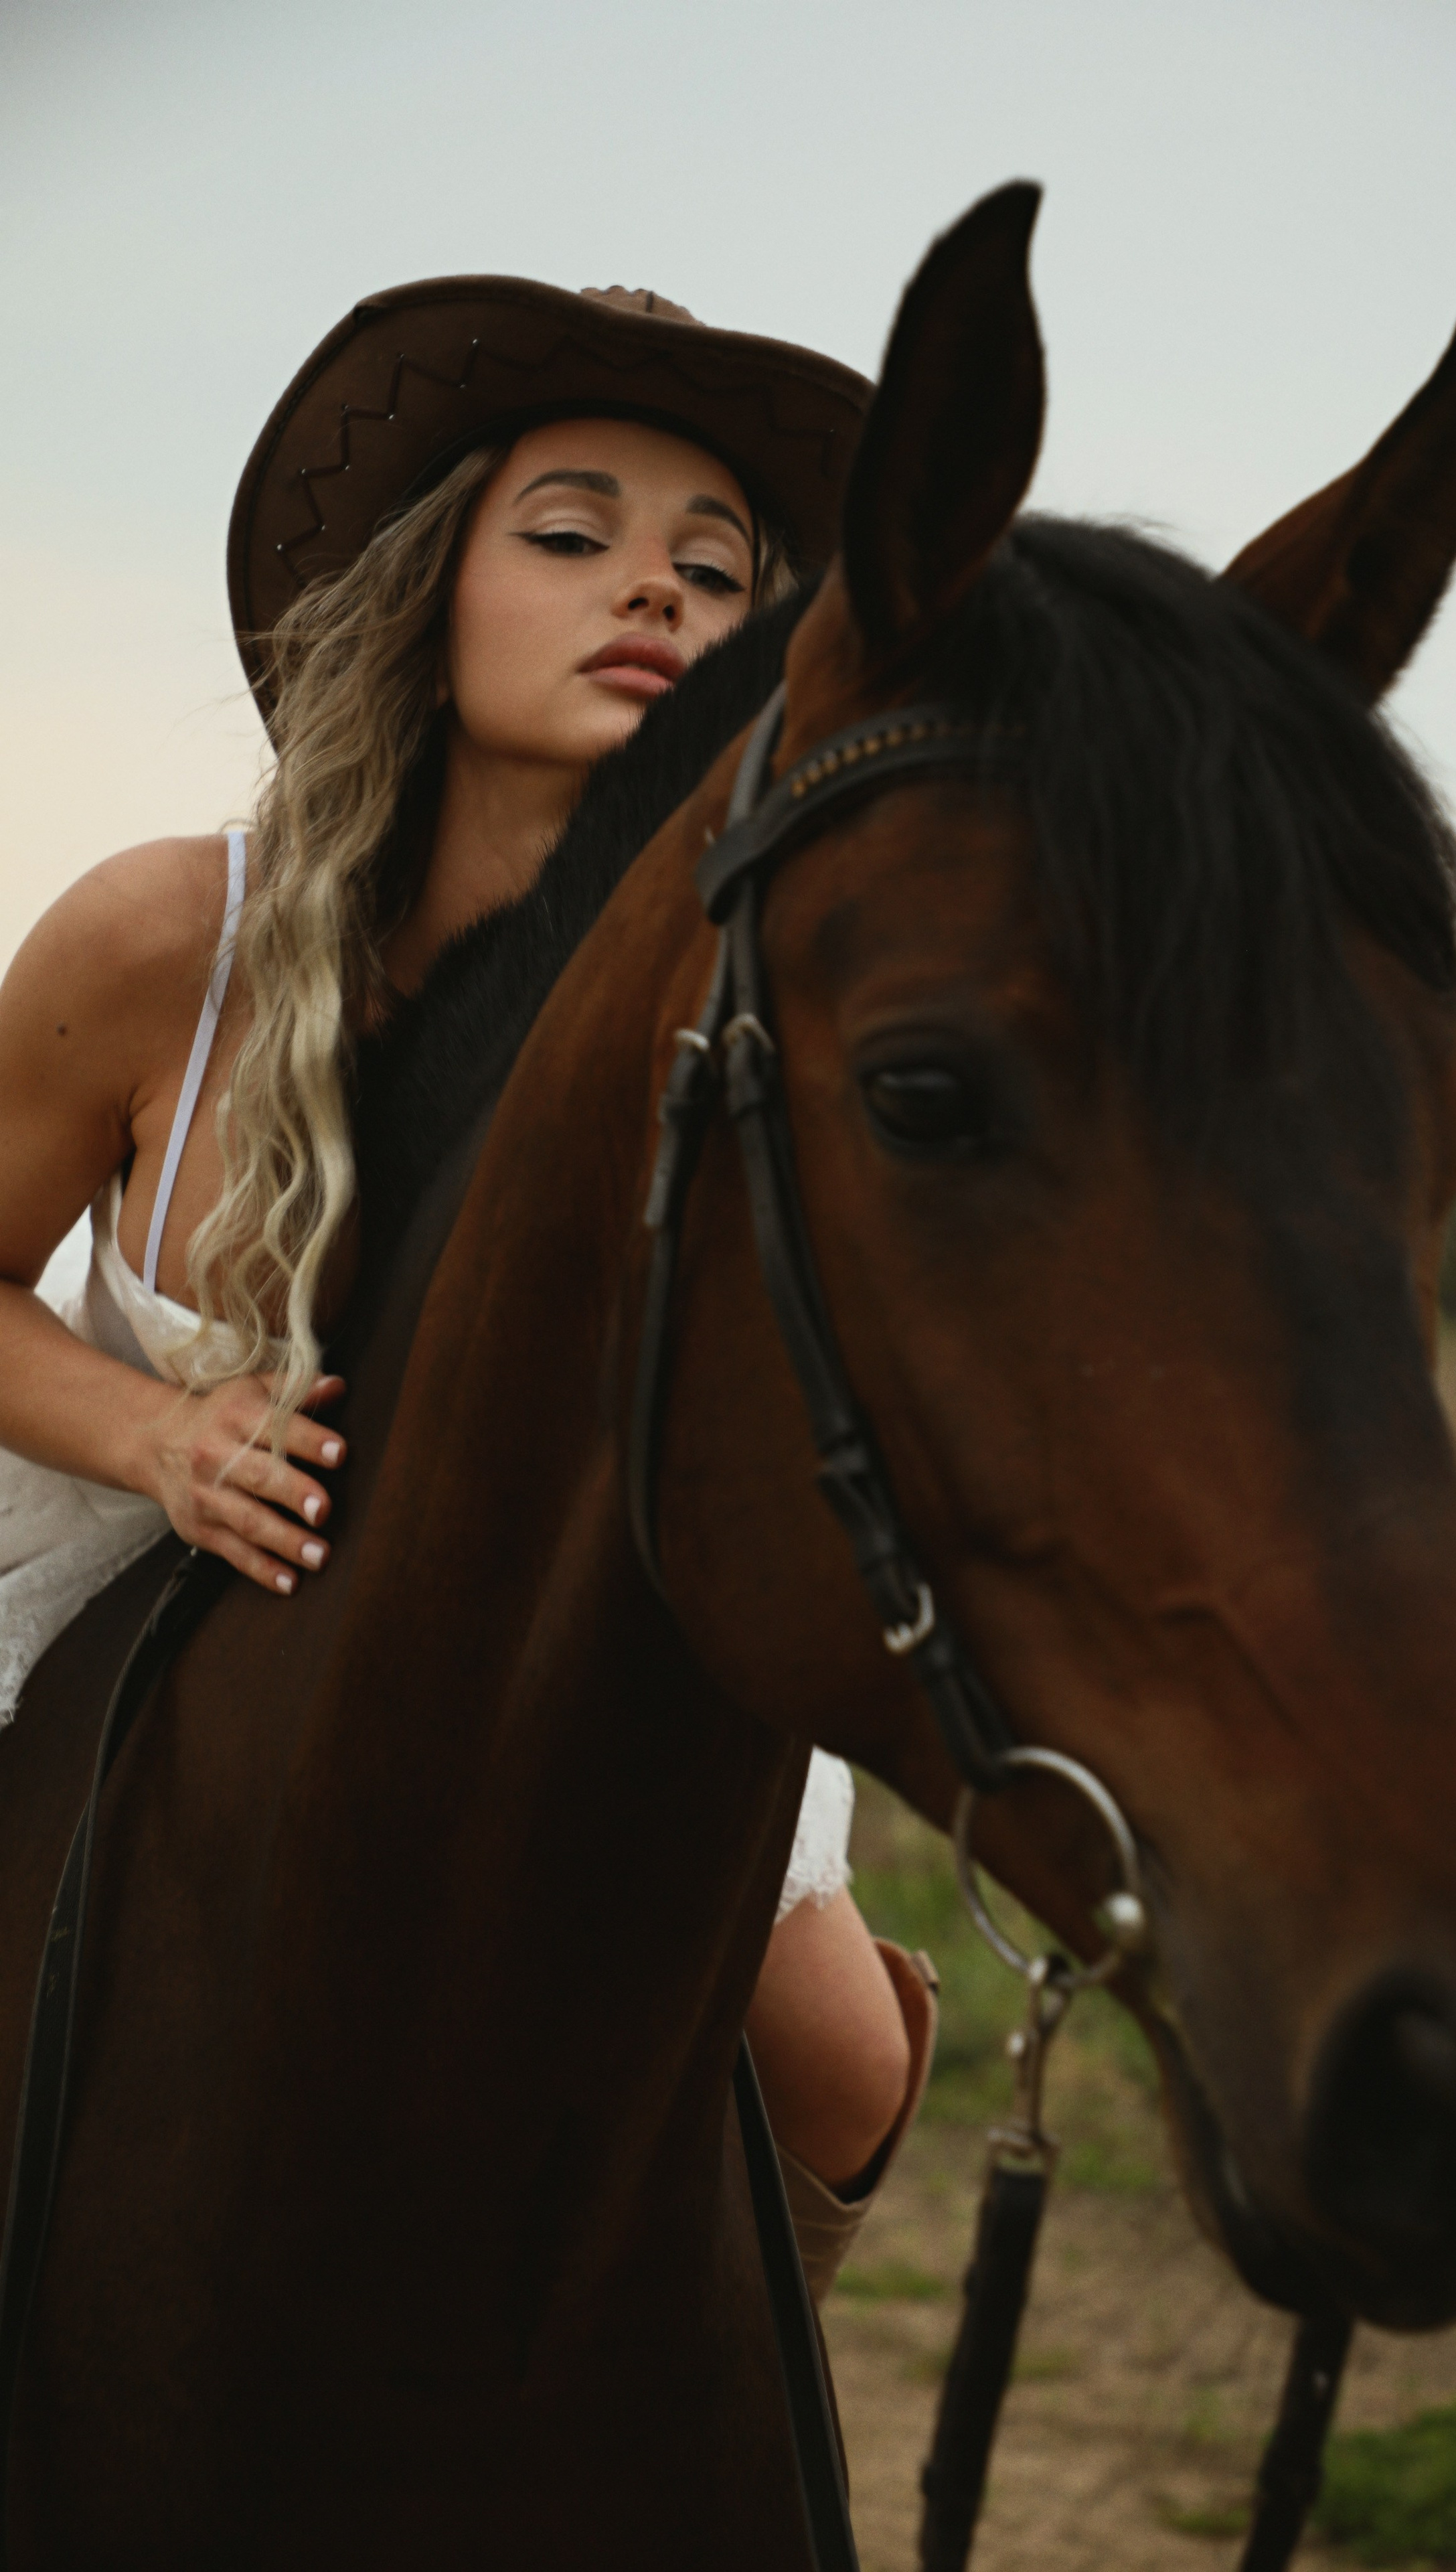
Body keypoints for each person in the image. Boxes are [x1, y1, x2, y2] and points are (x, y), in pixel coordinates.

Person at [0, 275, 935, 2291]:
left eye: (718, 567)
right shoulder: (173, 936)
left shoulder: (746, 1013)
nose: (657, 594)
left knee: (843, 2052)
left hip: (571, 1629)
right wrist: (164, 1430)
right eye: (575, 533)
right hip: (112, 1564)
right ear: (435, 586)